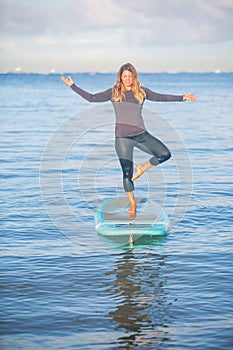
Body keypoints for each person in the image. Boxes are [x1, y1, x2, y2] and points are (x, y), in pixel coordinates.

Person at [61, 63, 196, 213]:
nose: (127, 79)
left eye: (130, 76)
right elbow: (91, 98)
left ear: (134, 77)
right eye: (124, 76)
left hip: (141, 135)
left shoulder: (141, 91)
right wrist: (73, 86)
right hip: (122, 139)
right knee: (127, 173)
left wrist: (182, 97)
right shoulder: (114, 92)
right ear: (120, 77)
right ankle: (132, 204)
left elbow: (161, 97)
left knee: (165, 154)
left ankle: (143, 168)